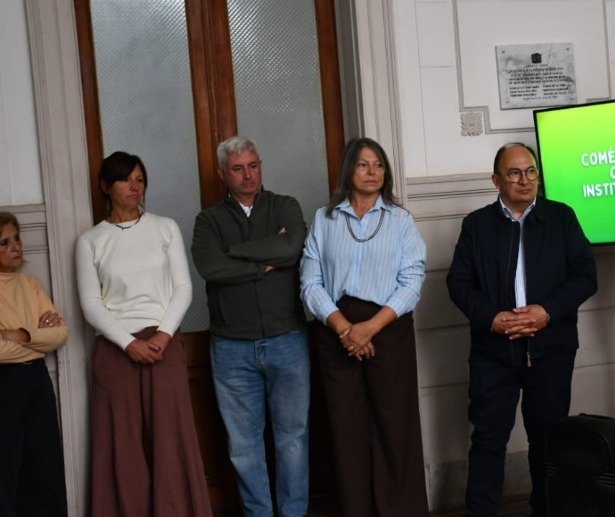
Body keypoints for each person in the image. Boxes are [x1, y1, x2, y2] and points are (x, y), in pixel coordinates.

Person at [446, 142, 597, 517]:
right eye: (514, 173)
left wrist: (548, 312)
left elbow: (585, 277)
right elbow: (458, 283)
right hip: (492, 353)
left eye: (531, 171)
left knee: (548, 441)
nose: (525, 180)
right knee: (488, 440)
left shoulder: (561, 217)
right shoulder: (477, 225)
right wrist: (492, 319)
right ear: (496, 180)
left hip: (551, 350)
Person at [75, 152, 211, 516]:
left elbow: (183, 288)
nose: (135, 186)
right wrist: (128, 343)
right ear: (106, 186)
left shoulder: (165, 228)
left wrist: (163, 335)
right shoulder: (91, 241)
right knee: (122, 445)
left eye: (140, 179)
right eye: (125, 179)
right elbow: (90, 304)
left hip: (163, 342)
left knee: (172, 439)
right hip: (115, 348)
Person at [300, 137, 428, 517]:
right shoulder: (324, 219)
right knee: (346, 431)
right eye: (362, 164)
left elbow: (412, 281)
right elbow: (310, 282)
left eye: (379, 165)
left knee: (395, 429)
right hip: (335, 332)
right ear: (348, 171)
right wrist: (345, 329)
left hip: (388, 329)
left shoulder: (401, 221)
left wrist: (369, 328)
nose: (372, 172)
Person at [191, 136, 309, 517]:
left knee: (292, 438)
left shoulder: (285, 206)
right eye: (238, 169)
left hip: (287, 339)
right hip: (231, 348)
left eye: (253, 166)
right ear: (223, 174)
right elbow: (211, 268)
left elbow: (292, 248)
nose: (248, 175)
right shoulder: (208, 221)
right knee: (243, 446)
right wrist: (264, 262)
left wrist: (235, 253)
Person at [0, 211, 69, 516]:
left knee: (45, 468)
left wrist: (20, 334)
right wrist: (37, 338)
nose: (15, 246)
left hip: (37, 382)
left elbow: (60, 333)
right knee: (6, 470)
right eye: (4, 242)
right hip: (4, 384)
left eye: (16, 238)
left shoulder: (31, 284)